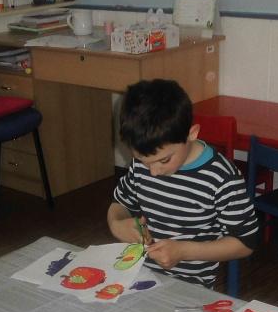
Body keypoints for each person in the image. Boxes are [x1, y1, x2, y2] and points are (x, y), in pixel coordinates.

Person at [107, 78, 260, 287]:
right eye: (143, 161)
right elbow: (120, 204)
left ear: (191, 134)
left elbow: (246, 242)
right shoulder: (144, 163)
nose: (153, 172)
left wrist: (184, 251)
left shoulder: (221, 178)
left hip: (190, 287)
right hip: (139, 277)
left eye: (164, 160)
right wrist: (116, 224)